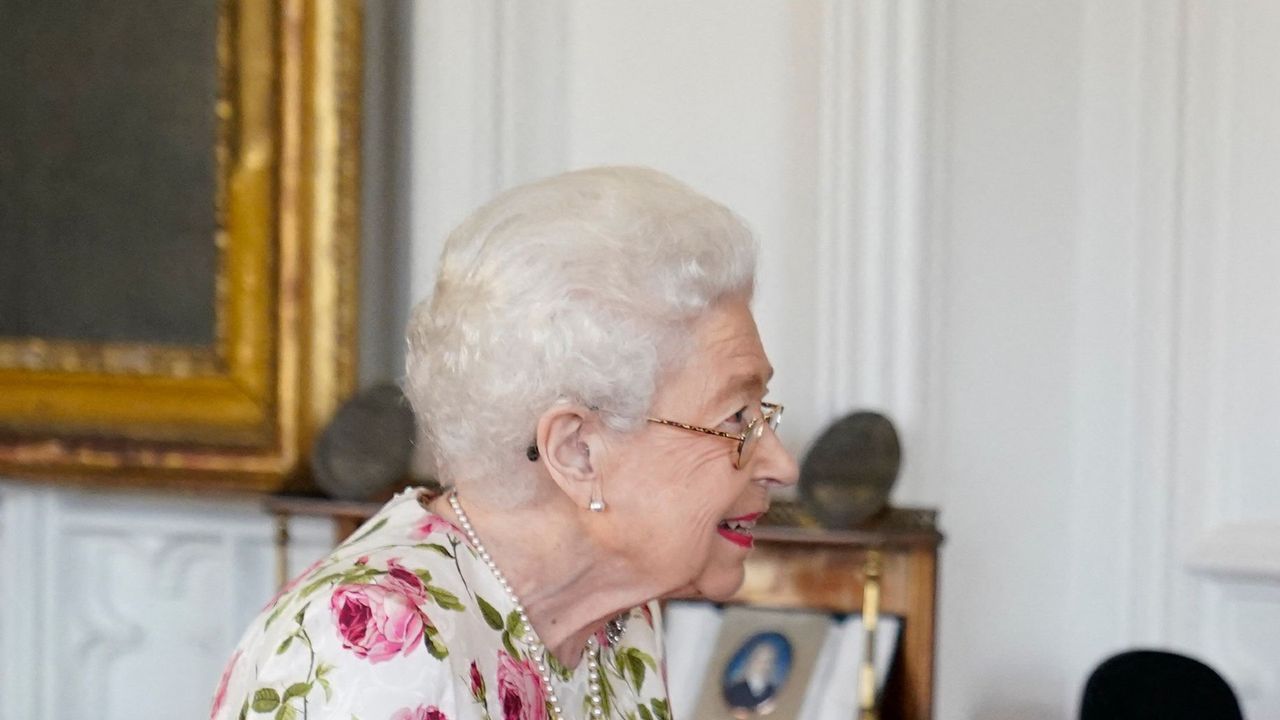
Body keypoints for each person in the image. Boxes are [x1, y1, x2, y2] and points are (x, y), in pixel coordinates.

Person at [210, 166, 799, 720]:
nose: (781, 463)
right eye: (736, 418)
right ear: (576, 452)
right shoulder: (371, 650)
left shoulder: (615, 622)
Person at [722, 637, 787, 713]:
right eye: (759, 660)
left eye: (768, 661)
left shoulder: (771, 691)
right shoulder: (736, 691)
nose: (763, 665)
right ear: (750, 661)